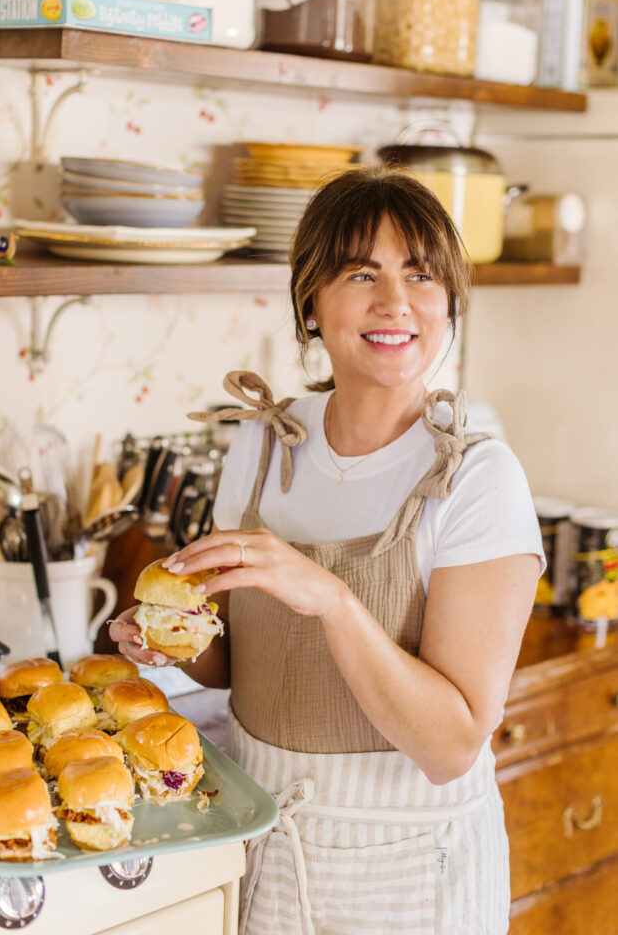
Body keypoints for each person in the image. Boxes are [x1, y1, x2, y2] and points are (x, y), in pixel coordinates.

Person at [110, 167, 543, 935]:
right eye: (359, 273)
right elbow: (249, 664)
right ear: (311, 302)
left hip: (408, 868)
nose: (394, 302)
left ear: (448, 304)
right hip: (256, 832)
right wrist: (175, 646)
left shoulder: (475, 478)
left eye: (420, 274)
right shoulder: (263, 443)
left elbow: (449, 744)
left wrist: (330, 597)